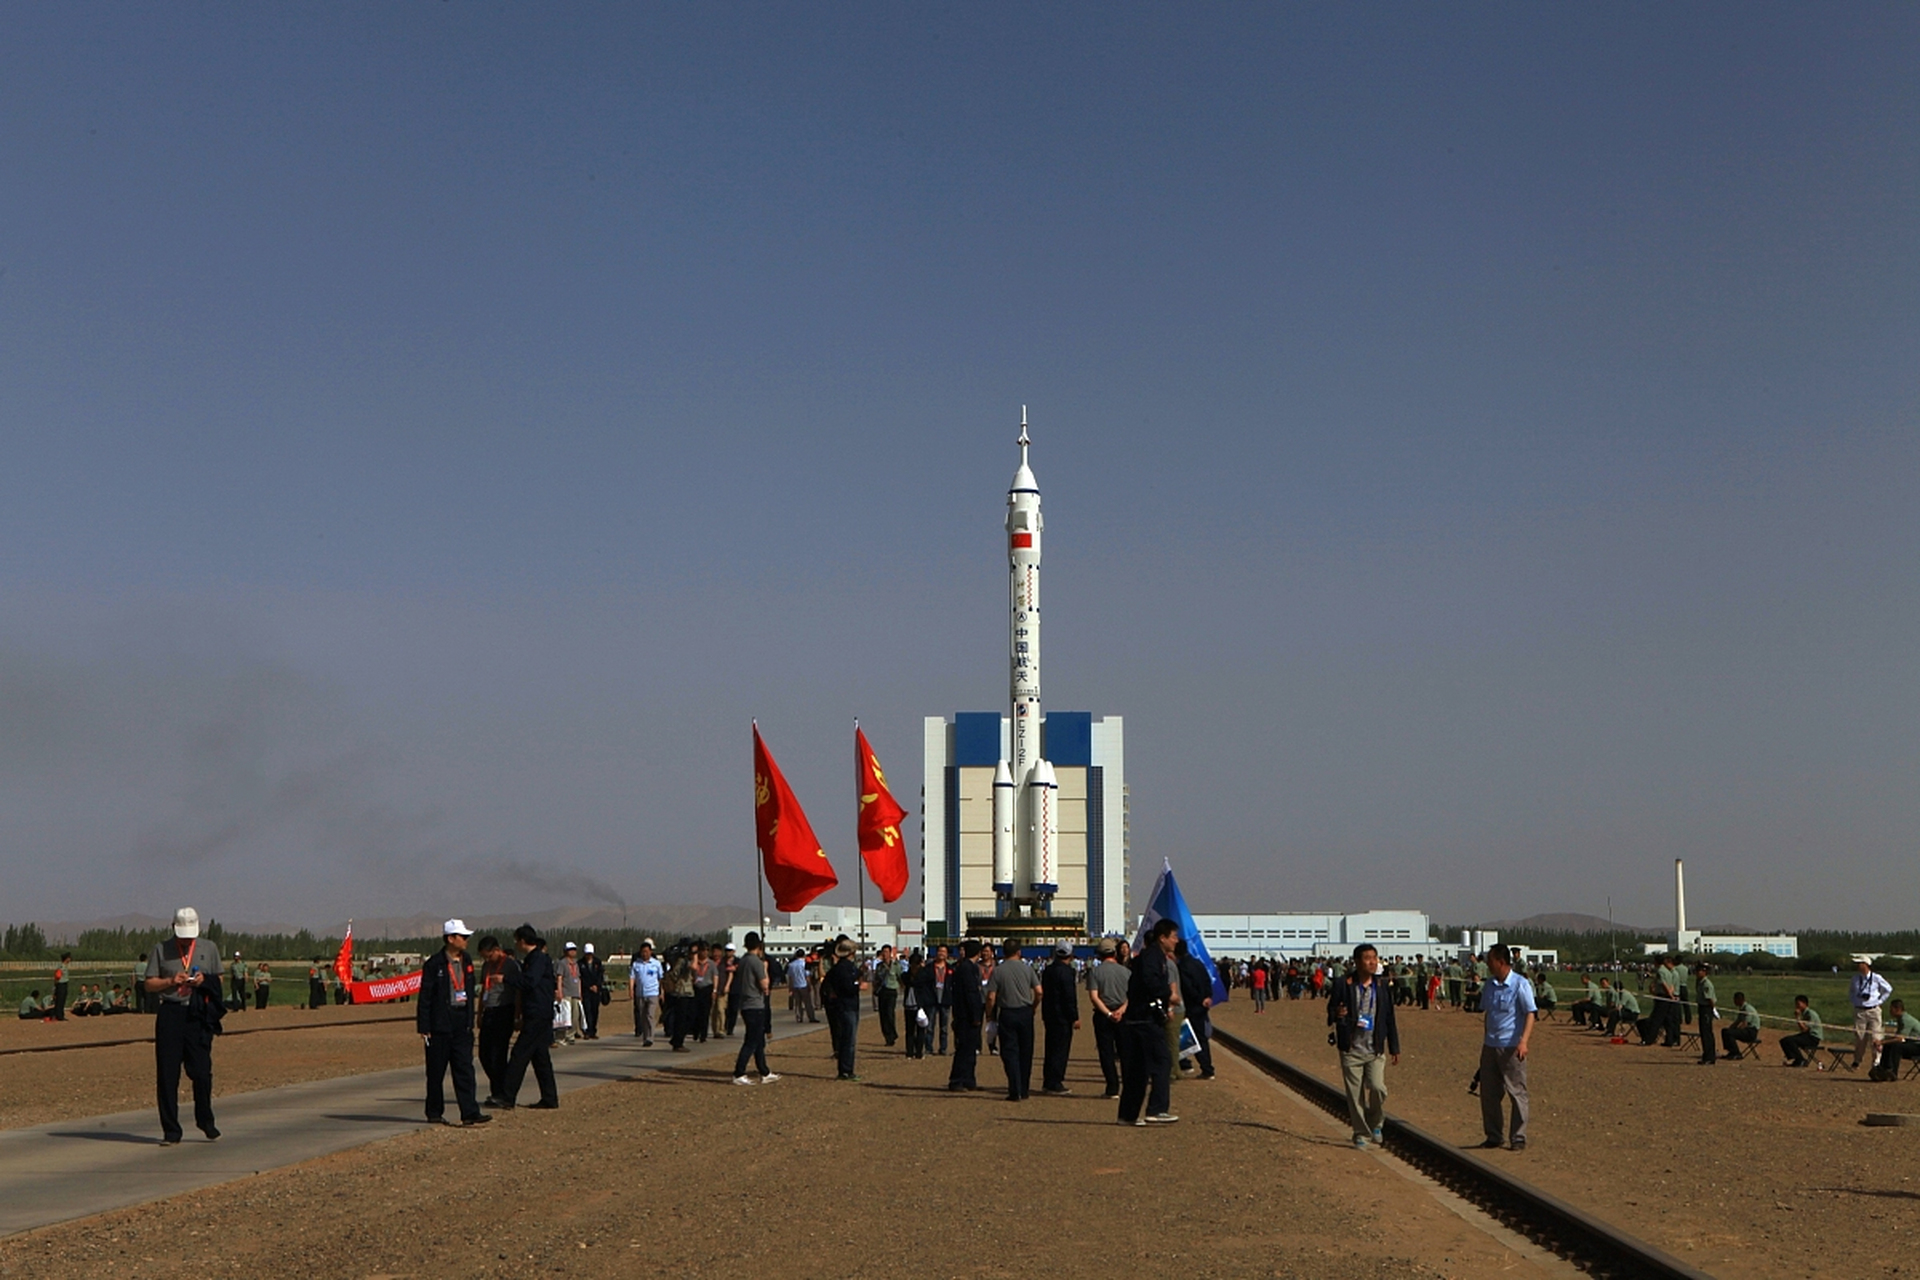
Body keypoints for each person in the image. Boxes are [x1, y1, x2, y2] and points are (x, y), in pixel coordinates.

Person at [142, 907, 223, 1145]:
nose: (187, 941)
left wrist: (203, 980)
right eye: (183, 936)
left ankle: (205, 1120)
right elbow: (148, 984)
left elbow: (219, 979)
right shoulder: (161, 949)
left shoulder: (209, 948)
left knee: (201, 1072)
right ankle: (171, 1130)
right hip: (171, 1012)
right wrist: (169, 981)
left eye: (190, 936)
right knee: (167, 1074)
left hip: (198, 1013)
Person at [417, 919, 490, 1128]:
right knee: (436, 1072)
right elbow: (425, 997)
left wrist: (470, 1021)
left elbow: (467, 991)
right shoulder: (434, 964)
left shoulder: (466, 960)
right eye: (462, 937)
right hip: (439, 1026)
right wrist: (424, 1027)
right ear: (451, 938)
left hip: (461, 1025)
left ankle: (470, 1112)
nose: (466, 941)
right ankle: (434, 1111)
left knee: (465, 1070)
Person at [1329, 942, 1400, 1149]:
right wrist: (1337, 1014)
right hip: (1351, 1048)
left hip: (1375, 1048)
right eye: (1367, 958)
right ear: (1357, 961)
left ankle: (1376, 1123)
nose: (1372, 962)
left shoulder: (1382, 986)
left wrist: (1394, 1047)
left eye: (1374, 958)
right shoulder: (1344, 983)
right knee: (1354, 1095)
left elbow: (1389, 1018)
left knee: (1378, 1088)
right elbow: (1331, 1008)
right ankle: (1361, 1133)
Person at [1118, 918, 1179, 1127]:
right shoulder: (1153, 957)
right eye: (1174, 937)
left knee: (1139, 1069)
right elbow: (1149, 981)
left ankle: (1128, 1115)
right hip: (1144, 1020)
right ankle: (1157, 1109)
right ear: (1163, 938)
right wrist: (1168, 995)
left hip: (1139, 1019)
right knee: (1162, 1060)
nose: (1176, 941)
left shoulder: (1153, 957)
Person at [1474, 943, 1535, 1152]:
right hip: (1490, 1046)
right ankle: (1494, 1135)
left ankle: (1518, 1137)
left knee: (1517, 1093)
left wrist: (1523, 1041)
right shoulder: (1490, 985)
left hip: (1512, 1047)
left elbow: (1530, 1013)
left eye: (1490, 961)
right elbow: (1487, 1013)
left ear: (1501, 962)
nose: (1488, 965)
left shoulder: (1520, 984)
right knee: (1489, 1094)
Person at [495, 924, 559, 1109]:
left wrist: (506, 979)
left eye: (517, 941)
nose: (516, 944)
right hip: (536, 1012)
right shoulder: (533, 959)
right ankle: (550, 1098)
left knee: (519, 1053)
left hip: (539, 1013)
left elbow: (530, 981)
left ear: (523, 941)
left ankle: (507, 1097)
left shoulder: (538, 958)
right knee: (540, 1057)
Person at [986, 938, 1040, 1101]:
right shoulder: (1027, 969)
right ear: (1019, 952)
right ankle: (1024, 1088)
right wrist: (1033, 1007)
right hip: (1025, 1012)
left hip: (1007, 1012)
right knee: (1026, 1051)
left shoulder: (998, 970)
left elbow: (991, 997)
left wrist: (989, 1015)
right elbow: (1039, 991)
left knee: (1009, 1052)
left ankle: (1014, 1088)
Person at [476, 935, 519, 1105]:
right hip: (489, 1011)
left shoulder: (510, 965)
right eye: (484, 957)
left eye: (489, 955)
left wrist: (517, 1015)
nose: (487, 959)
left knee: (498, 1054)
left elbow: (518, 992)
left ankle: (500, 1092)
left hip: (505, 1011)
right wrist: (479, 1014)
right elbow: (482, 991)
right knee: (484, 1054)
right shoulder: (487, 966)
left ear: (496, 950)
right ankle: (499, 1087)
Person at [731, 931, 778, 1084]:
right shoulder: (756, 962)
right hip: (755, 1004)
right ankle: (739, 1072)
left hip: (745, 1003)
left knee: (758, 1040)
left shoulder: (743, 960)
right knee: (752, 1040)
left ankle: (764, 1070)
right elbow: (765, 985)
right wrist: (765, 968)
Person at [1088, 938, 1130, 1099]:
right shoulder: (1126, 972)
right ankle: (1128, 1085)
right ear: (1115, 953)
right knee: (1125, 1051)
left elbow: (1094, 996)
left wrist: (1108, 1013)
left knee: (1106, 1053)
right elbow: (1131, 996)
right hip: (1123, 1014)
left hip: (1103, 1015)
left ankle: (1112, 1087)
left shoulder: (1095, 972)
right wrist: (1120, 1011)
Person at [1041, 942, 1081, 1095]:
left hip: (1050, 1014)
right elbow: (1069, 997)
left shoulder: (1048, 970)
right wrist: (1075, 1017)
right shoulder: (1067, 972)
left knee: (1050, 1048)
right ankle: (1055, 1081)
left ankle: (1048, 1079)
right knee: (1061, 1050)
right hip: (1063, 1016)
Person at [947, 939, 986, 1091]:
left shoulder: (969, 967)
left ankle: (969, 1079)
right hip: (966, 1015)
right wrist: (976, 1015)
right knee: (964, 1049)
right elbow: (971, 994)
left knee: (971, 1049)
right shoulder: (967, 969)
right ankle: (956, 1080)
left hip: (966, 1013)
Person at [1174, 941, 1216, 1080]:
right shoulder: (1198, 963)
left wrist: (1199, 999)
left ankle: (1191, 1065)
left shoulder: (1182, 967)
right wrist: (1207, 997)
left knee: (1187, 1036)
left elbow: (1187, 988)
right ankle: (1206, 1067)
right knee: (1201, 1037)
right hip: (1202, 1005)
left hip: (1192, 1006)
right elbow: (1206, 980)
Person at [823, 940, 862, 1080]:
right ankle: (846, 1070)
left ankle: (845, 1069)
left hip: (842, 1006)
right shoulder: (845, 969)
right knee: (849, 1040)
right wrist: (858, 986)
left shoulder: (837, 968)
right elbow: (849, 987)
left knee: (845, 1039)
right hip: (848, 1006)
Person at [1849, 955, 1895, 1072]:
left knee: (1876, 1037)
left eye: (1859, 963)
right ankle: (1857, 1060)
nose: (1858, 966)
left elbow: (1888, 989)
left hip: (1874, 1010)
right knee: (1860, 1037)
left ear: (1865, 964)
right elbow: (1851, 992)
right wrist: (1855, 1001)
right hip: (1860, 1011)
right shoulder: (1855, 979)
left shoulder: (1876, 978)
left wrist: (1879, 1001)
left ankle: (1876, 1061)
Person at [1869, 999, 1919, 1082]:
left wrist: (1881, 1042)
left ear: (1897, 1009)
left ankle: (1892, 1072)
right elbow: (1896, 1037)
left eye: (1891, 1009)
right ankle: (1883, 1069)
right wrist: (1883, 1042)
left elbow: (1900, 1038)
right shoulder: (1901, 1019)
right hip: (1911, 1043)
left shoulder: (1906, 1020)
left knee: (1897, 1046)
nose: (1890, 1011)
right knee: (1889, 1045)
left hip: (1917, 1045)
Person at [629, 940, 662, 1044]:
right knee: (642, 1016)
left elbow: (661, 978)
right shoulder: (636, 964)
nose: (645, 954)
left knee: (650, 1015)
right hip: (640, 993)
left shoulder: (656, 964)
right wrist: (630, 990)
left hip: (653, 993)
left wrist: (662, 992)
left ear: (650, 952)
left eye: (647, 951)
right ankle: (645, 1036)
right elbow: (632, 978)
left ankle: (650, 1038)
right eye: (643, 951)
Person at [1780, 995, 1823, 1067]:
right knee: (1784, 1040)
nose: (1797, 1006)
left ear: (1805, 1004)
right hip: (1806, 1035)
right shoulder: (1804, 1014)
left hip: (1813, 1038)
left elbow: (1805, 1029)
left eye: (1798, 1004)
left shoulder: (1810, 1014)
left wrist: (1798, 1018)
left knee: (1791, 1041)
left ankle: (1800, 1060)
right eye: (1796, 1004)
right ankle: (1796, 1059)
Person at [872, 944, 900, 1047]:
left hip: (892, 990)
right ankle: (888, 1037)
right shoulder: (879, 966)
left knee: (889, 1013)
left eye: (887, 952)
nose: (885, 954)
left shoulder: (895, 965)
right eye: (883, 952)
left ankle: (893, 1034)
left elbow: (900, 976)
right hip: (882, 991)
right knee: (883, 1015)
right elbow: (876, 978)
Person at [557, 943, 584, 1046]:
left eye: (574, 949)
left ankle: (570, 1035)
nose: (573, 951)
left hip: (575, 993)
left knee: (575, 1016)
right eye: (570, 950)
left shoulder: (576, 964)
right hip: (566, 992)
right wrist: (560, 991)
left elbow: (578, 978)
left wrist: (580, 992)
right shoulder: (562, 963)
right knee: (565, 1017)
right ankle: (561, 1035)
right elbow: (559, 978)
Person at [1721, 992, 1761, 1060]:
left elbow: (1745, 1024)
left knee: (1730, 1033)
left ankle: (1736, 1053)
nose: (1734, 1001)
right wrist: (1729, 1029)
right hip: (1747, 1030)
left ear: (1740, 1000)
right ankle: (1731, 1051)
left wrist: (1734, 1031)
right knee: (1725, 1031)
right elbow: (1737, 1022)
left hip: (1751, 1032)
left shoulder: (1747, 1009)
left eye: (1735, 1000)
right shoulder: (1742, 1009)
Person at [1693, 964, 1718, 1065]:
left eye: (1700, 971)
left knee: (1707, 1033)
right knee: (1704, 1032)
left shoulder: (1706, 984)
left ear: (1705, 972)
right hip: (1702, 1007)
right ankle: (1707, 1055)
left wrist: (1713, 1010)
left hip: (1706, 1008)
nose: (1698, 973)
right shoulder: (1700, 982)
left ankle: (1709, 1056)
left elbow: (1709, 999)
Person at [580, 943, 605, 1041]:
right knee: (587, 1011)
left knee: (595, 1011)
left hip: (596, 991)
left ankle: (593, 1031)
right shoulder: (580, 963)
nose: (589, 955)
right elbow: (581, 977)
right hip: (586, 990)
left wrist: (597, 986)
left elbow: (600, 976)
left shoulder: (597, 962)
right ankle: (587, 1031)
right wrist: (588, 986)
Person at [690, 942, 713, 1044]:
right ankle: (695, 1031)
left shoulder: (711, 963)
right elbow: (692, 969)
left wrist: (715, 989)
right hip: (696, 988)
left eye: (707, 950)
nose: (705, 952)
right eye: (703, 950)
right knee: (694, 1012)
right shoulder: (694, 962)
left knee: (705, 1013)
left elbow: (715, 976)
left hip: (707, 988)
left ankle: (703, 1034)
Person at [787, 950, 817, 1024]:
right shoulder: (805, 964)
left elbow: (790, 977)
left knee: (798, 1003)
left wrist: (790, 987)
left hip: (795, 985)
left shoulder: (791, 965)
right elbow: (807, 976)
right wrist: (809, 985)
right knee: (808, 1003)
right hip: (804, 985)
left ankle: (799, 1017)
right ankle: (811, 1017)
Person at [50, 952, 70, 1022]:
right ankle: (59, 1015)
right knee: (60, 1000)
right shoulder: (61, 966)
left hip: (64, 984)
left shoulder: (65, 966)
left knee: (63, 1000)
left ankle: (60, 1014)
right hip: (61, 984)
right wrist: (56, 986)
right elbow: (57, 976)